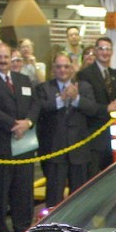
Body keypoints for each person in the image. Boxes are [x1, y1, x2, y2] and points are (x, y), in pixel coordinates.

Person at [0, 42, 38, 232]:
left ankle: (22, 228)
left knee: (23, 189)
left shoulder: (23, 79)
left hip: (24, 145)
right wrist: (14, 125)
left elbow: (35, 104)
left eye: (7, 57)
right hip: (0, 145)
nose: (3, 61)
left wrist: (28, 122)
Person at [35, 54, 98, 210]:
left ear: (72, 68)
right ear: (53, 69)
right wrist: (60, 100)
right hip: (54, 150)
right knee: (54, 195)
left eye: (66, 66)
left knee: (79, 195)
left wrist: (76, 99)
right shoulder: (44, 88)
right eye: (58, 66)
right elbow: (40, 109)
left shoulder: (84, 87)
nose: (62, 70)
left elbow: (93, 109)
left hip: (79, 150)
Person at [76, 36, 116, 177]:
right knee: (93, 177)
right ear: (96, 51)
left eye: (108, 49)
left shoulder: (114, 74)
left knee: (112, 176)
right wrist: (107, 109)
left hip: (113, 136)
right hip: (94, 135)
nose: (105, 52)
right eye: (102, 49)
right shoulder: (85, 74)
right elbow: (86, 105)